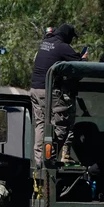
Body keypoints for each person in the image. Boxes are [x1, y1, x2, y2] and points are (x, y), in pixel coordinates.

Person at [30, 24, 82, 165]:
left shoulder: (46, 43)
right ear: (67, 35)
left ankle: (40, 159)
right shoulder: (62, 46)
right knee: (63, 121)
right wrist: (83, 57)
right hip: (49, 90)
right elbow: (79, 65)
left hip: (35, 89)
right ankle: (50, 155)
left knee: (40, 123)